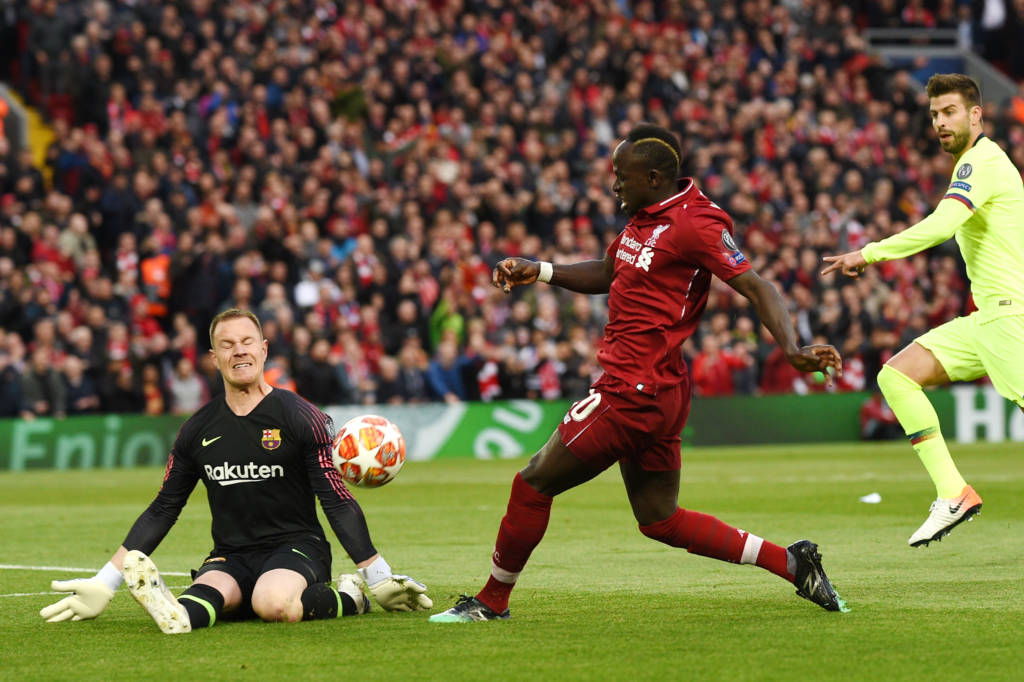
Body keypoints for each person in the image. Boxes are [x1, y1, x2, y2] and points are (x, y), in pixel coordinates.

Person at [430, 123, 847, 623]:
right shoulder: (644, 218)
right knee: (659, 519)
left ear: (652, 177)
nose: (614, 186)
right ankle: (792, 563)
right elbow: (608, 273)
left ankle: (491, 602)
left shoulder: (695, 223)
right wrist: (540, 270)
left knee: (532, 484)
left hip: (633, 391)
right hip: (658, 389)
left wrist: (792, 348)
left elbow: (758, 286)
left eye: (621, 176)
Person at [39, 309, 431, 634]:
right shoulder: (196, 430)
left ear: (263, 349)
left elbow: (336, 499)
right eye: (227, 345)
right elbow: (163, 508)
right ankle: (177, 615)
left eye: (247, 342)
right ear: (214, 358)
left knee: (272, 603)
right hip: (231, 552)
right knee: (204, 596)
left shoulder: (300, 416)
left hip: (297, 546)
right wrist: (105, 582)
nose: (239, 351)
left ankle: (351, 596)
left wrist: (377, 575)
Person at [823, 73, 1024, 547]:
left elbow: (941, 225)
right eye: (934, 114)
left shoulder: (981, 162)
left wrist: (869, 252)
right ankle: (953, 493)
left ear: (976, 114)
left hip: (1009, 317)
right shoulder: (978, 163)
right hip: (987, 319)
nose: (940, 122)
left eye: (950, 112)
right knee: (897, 376)